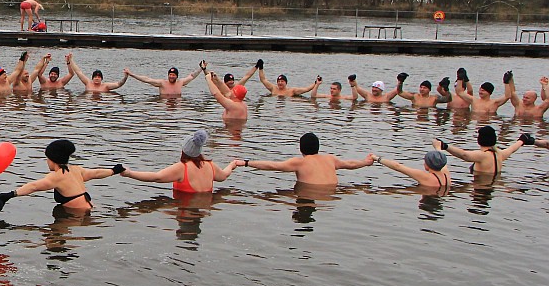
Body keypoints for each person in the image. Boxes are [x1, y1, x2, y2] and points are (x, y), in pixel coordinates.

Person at [0, 139, 120, 214]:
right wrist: (113, 170)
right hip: (89, 207)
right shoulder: (76, 170)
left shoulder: (56, 177)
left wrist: (10, 195)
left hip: (77, 215)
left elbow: (34, 186)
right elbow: (96, 173)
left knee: (52, 235)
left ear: (52, 159)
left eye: (47, 158)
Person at [120, 130, 242, 192]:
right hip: (203, 208)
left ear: (184, 150)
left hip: (185, 206)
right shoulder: (210, 166)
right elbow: (224, 176)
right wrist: (232, 164)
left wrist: (129, 173)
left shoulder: (182, 168)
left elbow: (156, 177)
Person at [241, 133, 375, 186]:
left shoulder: (300, 162)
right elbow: (350, 164)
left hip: (310, 194)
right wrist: (365, 162)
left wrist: (247, 163)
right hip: (332, 194)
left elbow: (273, 166)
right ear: (318, 147)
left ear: (301, 149)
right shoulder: (330, 159)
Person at [438, 125, 526, 177]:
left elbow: (464, 155)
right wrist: (521, 141)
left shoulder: (482, 155)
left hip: (481, 187)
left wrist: (445, 146)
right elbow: (511, 149)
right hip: (493, 184)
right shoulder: (499, 154)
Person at [376, 149, 452, 193]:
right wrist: (438, 147)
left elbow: (397, 166)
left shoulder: (426, 177)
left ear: (427, 164)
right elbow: (442, 161)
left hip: (428, 197)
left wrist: (376, 158)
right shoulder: (446, 174)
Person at [124, 62, 205, 96]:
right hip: (164, 105)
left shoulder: (181, 82)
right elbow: (147, 80)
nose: (171, 76)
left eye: (173, 75)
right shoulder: (162, 83)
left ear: (176, 76)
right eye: (170, 74)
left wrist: (201, 68)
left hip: (178, 108)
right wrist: (132, 74)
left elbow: (192, 76)